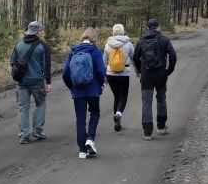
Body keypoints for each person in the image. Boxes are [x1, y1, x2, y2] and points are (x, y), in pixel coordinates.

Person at [62, 27, 107, 159]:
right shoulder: (96, 51)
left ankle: (82, 150)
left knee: (80, 118)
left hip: (78, 90)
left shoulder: (73, 52)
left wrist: (72, 87)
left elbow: (65, 73)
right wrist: (100, 84)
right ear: (94, 38)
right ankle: (90, 139)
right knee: (95, 113)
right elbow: (101, 71)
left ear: (83, 37)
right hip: (93, 90)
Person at [132, 18, 177, 141]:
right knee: (161, 98)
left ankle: (147, 132)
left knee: (146, 102)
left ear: (147, 27)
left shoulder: (141, 40)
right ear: (158, 27)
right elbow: (173, 56)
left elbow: (135, 57)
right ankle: (161, 127)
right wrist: (168, 71)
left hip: (146, 76)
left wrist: (140, 71)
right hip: (160, 75)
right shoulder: (164, 39)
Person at [10, 21, 52, 144]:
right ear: (38, 32)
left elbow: (12, 62)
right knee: (40, 104)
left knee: (23, 107)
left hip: (21, 81)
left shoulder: (18, 45)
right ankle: (37, 130)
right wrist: (48, 81)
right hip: (37, 81)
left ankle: (24, 134)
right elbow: (46, 65)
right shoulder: (42, 46)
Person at [103, 24, 135, 133]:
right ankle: (118, 114)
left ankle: (116, 121)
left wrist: (104, 77)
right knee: (123, 96)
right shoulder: (128, 44)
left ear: (112, 33)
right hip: (124, 73)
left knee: (116, 96)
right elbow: (134, 59)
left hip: (110, 74)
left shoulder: (107, 45)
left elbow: (104, 62)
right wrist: (138, 72)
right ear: (123, 33)